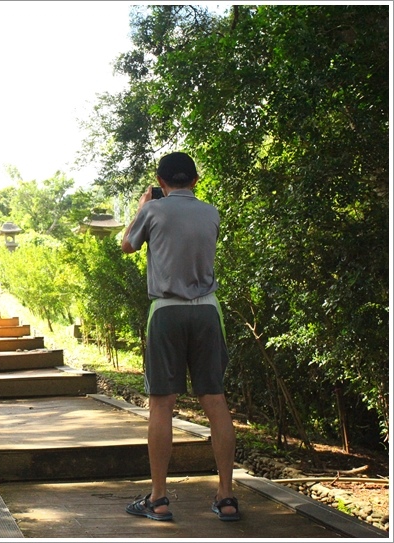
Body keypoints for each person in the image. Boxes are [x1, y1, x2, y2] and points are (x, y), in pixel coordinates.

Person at [120, 151, 239, 523]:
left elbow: (127, 245)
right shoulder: (212, 212)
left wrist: (142, 209)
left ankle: (158, 499)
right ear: (196, 180)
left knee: (162, 403)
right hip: (207, 310)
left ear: (161, 181)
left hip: (167, 311)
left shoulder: (153, 211)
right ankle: (226, 497)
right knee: (215, 401)